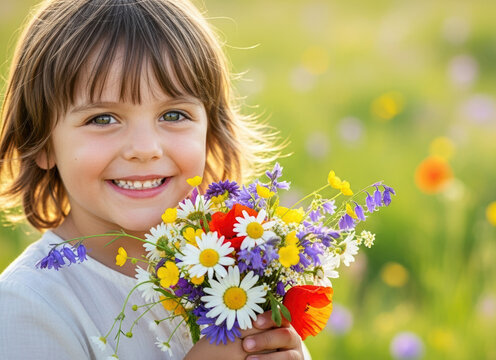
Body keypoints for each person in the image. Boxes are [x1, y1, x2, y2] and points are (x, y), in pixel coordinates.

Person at [0, 0, 308, 359]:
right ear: (41, 141)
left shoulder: (233, 274)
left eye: (173, 114)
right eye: (102, 119)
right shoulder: (27, 306)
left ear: (211, 132)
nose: (144, 149)